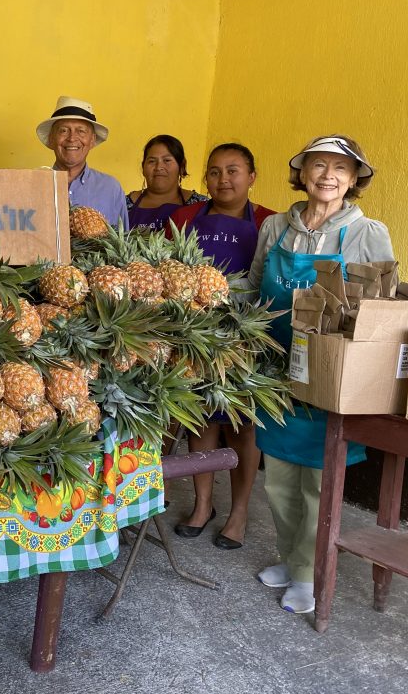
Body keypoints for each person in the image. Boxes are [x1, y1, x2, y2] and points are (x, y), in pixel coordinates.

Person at [247, 134, 394, 615]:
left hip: (329, 377)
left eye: (340, 168)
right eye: (318, 165)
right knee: (279, 477)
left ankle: (310, 577)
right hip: (276, 367)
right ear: (302, 173)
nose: (328, 175)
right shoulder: (275, 227)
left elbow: (380, 309)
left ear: (354, 180)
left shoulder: (367, 232)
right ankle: (291, 561)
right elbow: (252, 287)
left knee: (318, 482)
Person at [168, 143, 276, 550]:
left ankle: (240, 511)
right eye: (214, 171)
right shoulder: (184, 218)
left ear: (252, 176)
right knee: (199, 421)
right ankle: (202, 504)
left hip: (244, 338)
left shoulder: (270, 223)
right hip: (193, 336)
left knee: (240, 426)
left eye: (233, 170)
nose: (223, 179)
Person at [36, 96, 130, 228]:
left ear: (92, 140)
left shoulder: (111, 188)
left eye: (81, 131)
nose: (72, 138)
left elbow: (123, 243)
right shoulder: (32, 185)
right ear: (51, 139)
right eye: (64, 130)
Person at [127, 135, 205, 232]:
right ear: (143, 168)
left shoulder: (201, 205)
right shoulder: (124, 204)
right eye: (152, 161)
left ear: (181, 167)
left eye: (167, 160)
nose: (159, 167)